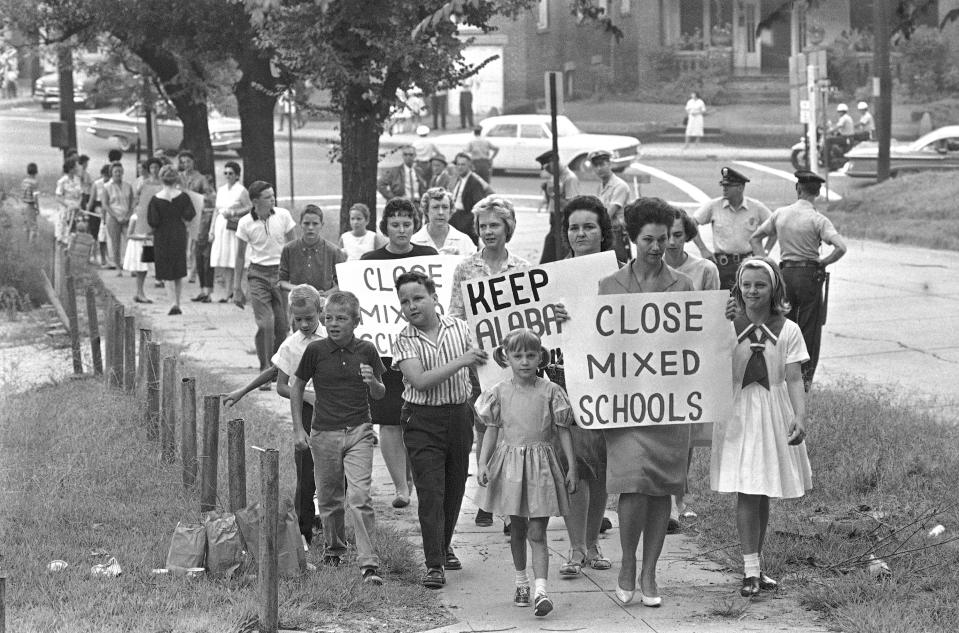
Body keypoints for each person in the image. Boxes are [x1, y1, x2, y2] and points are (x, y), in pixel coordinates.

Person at [597, 197, 695, 607]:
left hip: (670, 404)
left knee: (660, 489)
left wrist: (720, 316)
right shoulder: (610, 286)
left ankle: (651, 571)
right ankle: (627, 564)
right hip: (627, 405)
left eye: (666, 239)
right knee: (633, 484)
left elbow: (697, 341)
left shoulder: (684, 285)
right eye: (650, 240)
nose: (659, 248)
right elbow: (597, 343)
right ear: (631, 239)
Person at [710, 257, 812, 597]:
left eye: (760, 285)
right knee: (748, 488)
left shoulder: (789, 329)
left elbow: (795, 378)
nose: (752, 291)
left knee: (763, 486)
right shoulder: (727, 324)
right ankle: (749, 570)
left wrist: (799, 416)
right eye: (747, 284)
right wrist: (716, 323)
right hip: (739, 412)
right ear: (738, 287)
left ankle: (757, 565)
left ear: (774, 289)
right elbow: (706, 362)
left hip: (772, 412)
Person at [391, 270, 489, 588]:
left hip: (459, 416)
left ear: (434, 296)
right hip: (421, 420)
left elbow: (491, 353)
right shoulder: (404, 340)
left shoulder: (462, 328)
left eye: (418, 298)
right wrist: (462, 361)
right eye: (404, 301)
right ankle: (434, 563)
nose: (411, 306)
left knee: (455, 486)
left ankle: (444, 547)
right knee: (431, 491)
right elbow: (420, 380)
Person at [476, 328, 576, 617]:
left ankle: (541, 591)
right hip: (511, 468)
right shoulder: (498, 393)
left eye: (530, 355)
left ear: (540, 358)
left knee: (537, 530)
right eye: (517, 355)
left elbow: (563, 431)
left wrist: (572, 465)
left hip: (542, 467)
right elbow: (491, 431)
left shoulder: (551, 391)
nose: (524, 361)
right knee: (517, 529)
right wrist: (483, 463)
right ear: (506, 358)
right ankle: (521, 581)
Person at [290, 290, 386, 585]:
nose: (333, 323)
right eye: (328, 317)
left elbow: (382, 393)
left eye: (341, 318)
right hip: (323, 433)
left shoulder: (367, 350)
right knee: (330, 498)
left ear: (356, 321)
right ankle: (334, 548)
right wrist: (298, 429)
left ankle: (369, 564)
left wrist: (372, 383)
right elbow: (296, 386)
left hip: (359, 431)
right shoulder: (315, 351)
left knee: (359, 497)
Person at [223, 284, 327, 546]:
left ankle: (329, 525)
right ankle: (303, 532)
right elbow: (278, 379)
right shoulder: (292, 344)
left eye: (309, 318)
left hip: (336, 410)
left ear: (320, 311)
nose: (304, 324)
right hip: (306, 411)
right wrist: (244, 390)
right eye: (298, 319)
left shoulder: (332, 336)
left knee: (336, 472)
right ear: (290, 314)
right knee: (306, 471)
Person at [449, 196, 529, 529]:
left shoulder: (522, 268)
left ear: (508, 227)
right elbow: (455, 314)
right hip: (479, 364)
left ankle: (512, 507)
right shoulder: (466, 267)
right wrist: (470, 349)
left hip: (514, 363)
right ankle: (485, 496)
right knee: (485, 429)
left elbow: (529, 317)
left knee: (514, 431)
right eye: (483, 226)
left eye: (495, 225)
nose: (488, 231)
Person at [362, 199, 438, 509]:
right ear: (385, 227)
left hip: (426, 354)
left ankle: (416, 479)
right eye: (395, 224)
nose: (401, 229)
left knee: (419, 420)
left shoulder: (429, 258)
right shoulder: (369, 260)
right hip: (386, 354)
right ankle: (400, 487)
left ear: (415, 224)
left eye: (407, 223)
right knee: (390, 420)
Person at [554, 195, 615, 578]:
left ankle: (593, 543)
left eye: (588, 226)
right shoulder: (553, 277)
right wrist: (551, 314)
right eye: (574, 227)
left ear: (602, 232)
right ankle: (576, 547)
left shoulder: (620, 275)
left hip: (610, 379)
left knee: (601, 468)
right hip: (567, 380)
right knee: (574, 465)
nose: (580, 233)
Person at [749, 170, 847, 391]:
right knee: (808, 330)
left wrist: (766, 262)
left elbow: (755, 237)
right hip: (809, 275)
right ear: (818, 193)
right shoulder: (818, 220)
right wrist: (823, 262)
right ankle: (803, 381)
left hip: (785, 276)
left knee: (783, 326)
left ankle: (780, 377)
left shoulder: (781, 214)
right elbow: (841, 247)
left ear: (798, 189)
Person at [664, 207, 720, 530]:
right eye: (666, 236)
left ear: (687, 237)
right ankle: (661, 496)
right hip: (655, 360)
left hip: (690, 360)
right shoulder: (647, 267)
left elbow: (712, 314)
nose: (671, 242)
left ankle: (680, 497)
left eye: (678, 235)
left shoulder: (704, 269)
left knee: (684, 431)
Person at [234, 181, 297, 372]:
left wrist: (294, 277)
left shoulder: (283, 216)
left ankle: (277, 367)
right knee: (266, 323)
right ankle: (265, 366)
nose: (273, 199)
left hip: (280, 274)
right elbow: (239, 255)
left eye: (273, 195)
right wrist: (237, 287)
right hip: (258, 274)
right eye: (268, 197)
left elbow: (293, 247)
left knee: (282, 326)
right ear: (255, 201)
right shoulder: (245, 223)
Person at [692, 167, 774, 290]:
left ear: (740, 188)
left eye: (729, 186)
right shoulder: (714, 206)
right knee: (722, 304)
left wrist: (765, 252)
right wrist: (703, 249)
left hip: (748, 264)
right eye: (723, 185)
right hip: (722, 265)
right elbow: (691, 223)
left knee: (747, 301)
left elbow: (775, 226)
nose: (724, 189)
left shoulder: (755, 207)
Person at [148, 165, 196, 315]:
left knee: (166, 267)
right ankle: (178, 302)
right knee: (178, 268)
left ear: (161, 179)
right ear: (176, 179)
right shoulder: (183, 196)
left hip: (162, 234)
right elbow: (190, 215)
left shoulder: (155, 199)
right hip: (178, 232)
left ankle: (172, 302)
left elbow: (153, 221)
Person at [279, 204, 346, 297]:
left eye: (315, 224)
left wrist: (326, 293)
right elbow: (282, 281)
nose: (310, 228)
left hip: (323, 304)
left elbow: (343, 283)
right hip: (298, 303)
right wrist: (298, 289)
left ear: (322, 225)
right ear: (300, 224)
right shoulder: (289, 249)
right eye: (306, 223)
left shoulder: (333, 251)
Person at [210, 161, 252, 303]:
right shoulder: (221, 190)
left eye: (231, 173)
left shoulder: (241, 190)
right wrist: (212, 229)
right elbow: (216, 210)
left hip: (234, 226)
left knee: (237, 259)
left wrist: (234, 211)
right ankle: (227, 291)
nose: (228, 176)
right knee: (225, 259)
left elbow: (249, 207)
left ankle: (239, 291)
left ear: (237, 175)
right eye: (225, 173)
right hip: (221, 227)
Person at [536, 150, 580, 264]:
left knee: (560, 259)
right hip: (554, 222)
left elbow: (572, 206)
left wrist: (554, 196)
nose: (547, 171)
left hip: (563, 221)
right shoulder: (555, 177)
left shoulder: (570, 178)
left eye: (548, 167)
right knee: (547, 260)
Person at [178, 150, 214, 284]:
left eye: (188, 161)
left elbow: (209, 195)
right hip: (180, 213)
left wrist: (197, 197)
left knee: (194, 244)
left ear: (193, 162)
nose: (186, 164)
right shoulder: (178, 177)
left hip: (195, 213)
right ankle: (182, 269)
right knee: (182, 243)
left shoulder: (200, 178)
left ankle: (193, 272)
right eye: (184, 162)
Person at [589, 149, 631, 263]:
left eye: (602, 164)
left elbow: (608, 214)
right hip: (605, 231)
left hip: (616, 232)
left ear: (609, 164)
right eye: (596, 166)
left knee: (616, 265)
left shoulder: (620, 186)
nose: (599, 168)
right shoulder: (601, 185)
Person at [412, 188, 477, 256]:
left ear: (450, 210)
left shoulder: (464, 241)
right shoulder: (414, 242)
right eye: (435, 207)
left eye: (445, 207)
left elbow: (477, 265)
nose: (441, 212)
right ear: (426, 210)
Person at [449, 153, 491, 245]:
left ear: (469, 166)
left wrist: (467, 222)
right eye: (458, 164)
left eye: (463, 165)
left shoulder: (474, 182)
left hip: (465, 221)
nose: (460, 167)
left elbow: (478, 205)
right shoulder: (458, 178)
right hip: (454, 218)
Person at [104, 162, 136, 274]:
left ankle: (131, 266)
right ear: (111, 173)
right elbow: (105, 204)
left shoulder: (128, 186)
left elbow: (132, 202)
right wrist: (116, 216)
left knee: (130, 241)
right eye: (115, 171)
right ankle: (118, 267)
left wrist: (128, 215)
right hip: (113, 217)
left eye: (120, 171)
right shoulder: (107, 186)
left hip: (126, 216)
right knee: (115, 243)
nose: (118, 173)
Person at [191, 177, 216, 303]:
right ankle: (202, 290)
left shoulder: (212, 198)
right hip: (198, 235)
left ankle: (208, 292)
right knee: (200, 263)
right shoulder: (196, 201)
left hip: (207, 236)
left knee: (207, 264)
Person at [85, 164, 112, 266]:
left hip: (108, 210)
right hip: (97, 210)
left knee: (105, 236)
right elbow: (92, 200)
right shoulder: (97, 184)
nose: (106, 178)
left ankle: (107, 258)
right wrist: (87, 213)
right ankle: (97, 257)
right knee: (96, 235)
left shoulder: (112, 184)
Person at [54, 157, 83, 246]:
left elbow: (81, 194)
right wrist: (68, 206)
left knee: (74, 233)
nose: (77, 168)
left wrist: (78, 204)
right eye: (75, 167)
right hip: (66, 209)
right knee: (63, 232)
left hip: (76, 209)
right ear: (70, 169)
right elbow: (58, 197)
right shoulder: (62, 181)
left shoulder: (77, 179)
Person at [20, 162, 39, 243]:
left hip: (23, 204)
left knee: (25, 225)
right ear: (36, 171)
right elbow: (35, 197)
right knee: (33, 226)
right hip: (30, 205)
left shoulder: (24, 181)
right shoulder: (34, 182)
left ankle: (25, 243)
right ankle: (31, 244)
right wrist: (37, 207)